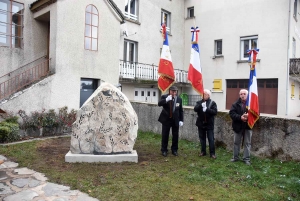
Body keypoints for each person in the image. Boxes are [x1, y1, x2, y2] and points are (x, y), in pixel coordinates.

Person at [158, 85, 184, 157]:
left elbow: (181, 110)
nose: (174, 93)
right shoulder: (165, 97)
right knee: (165, 135)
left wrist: (181, 120)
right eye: (173, 91)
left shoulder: (179, 99)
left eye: (175, 91)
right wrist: (166, 100)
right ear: (169, 91)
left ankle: (174, 150)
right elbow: (159, 104)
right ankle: (164, 150)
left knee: (175, 135)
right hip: (166, 119)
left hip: (175, 120)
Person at [229, 89, 252, 165]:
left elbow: (257, 114)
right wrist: (240, 117)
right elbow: (232, 114)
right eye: (241, 94)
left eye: (244, 94)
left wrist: (249, 116)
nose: (242, 95)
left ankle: (246, 159)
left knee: (247, 143)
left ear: (247, 95)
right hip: (238, 126)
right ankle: (235, 157)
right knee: (236, 143)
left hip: (248, 126)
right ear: (239, 95)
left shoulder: (251, 104)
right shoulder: (235, 104)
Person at [194, 89, 218, 159]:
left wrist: (207, 109)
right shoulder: (199, 102)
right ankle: (203, 151)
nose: (204, 96)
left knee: (211, 139)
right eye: (203, 94)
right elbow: (195, 109)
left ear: (209, 95)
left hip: (209, 124)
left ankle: (212, 153)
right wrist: (201, 105)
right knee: (202, 138)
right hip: (201, 123)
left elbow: (215, 112)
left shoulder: (212, 103)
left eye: (206, 94)